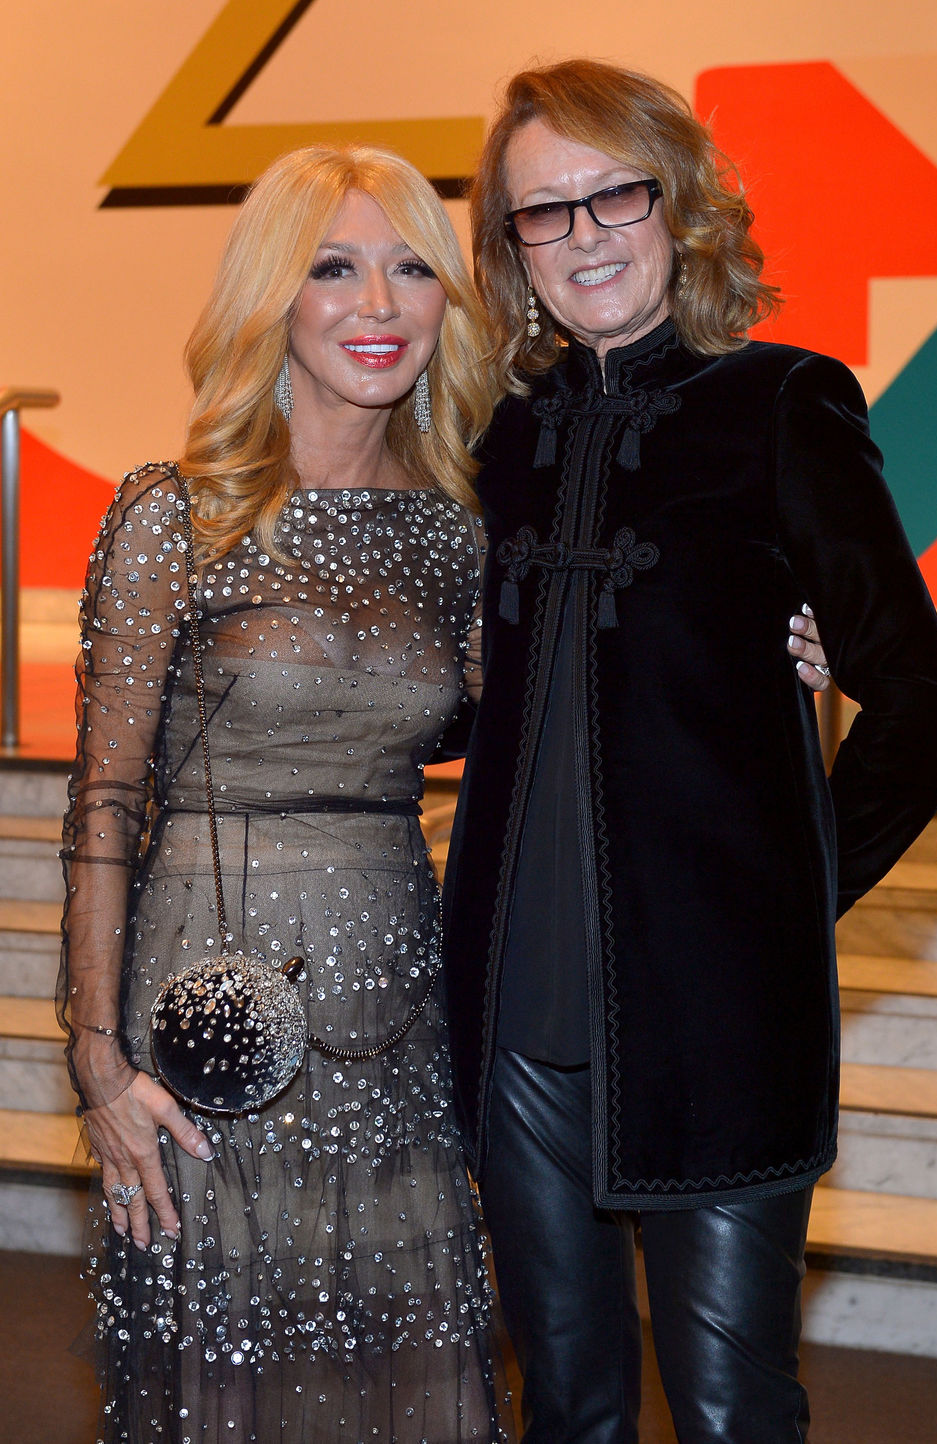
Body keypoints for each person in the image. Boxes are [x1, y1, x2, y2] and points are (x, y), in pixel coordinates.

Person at [442, 60, 937, 1444]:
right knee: (564, 1403)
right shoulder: (489, 438)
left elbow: (918, 704)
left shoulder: (783, 404)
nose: (583, 235)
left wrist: (788, 903)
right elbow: (455, 711)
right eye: (539, 214)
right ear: (508, 249)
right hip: (510, 1025)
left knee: (733, 1413)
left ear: (676, 203)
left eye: (612, 193)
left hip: (718, 1027)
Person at [57, 144, 511, 1444]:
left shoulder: (462, 536)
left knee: (413, 1379)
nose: (378, 304)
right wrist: (94, 1059)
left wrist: (780, 647)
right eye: (334, 267)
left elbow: (550, 731)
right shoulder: (175, 515)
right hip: (210, 1026)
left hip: (397, 1029)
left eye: (412, 267)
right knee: (231, 1377)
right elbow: (102, 805)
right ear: (274, 295)